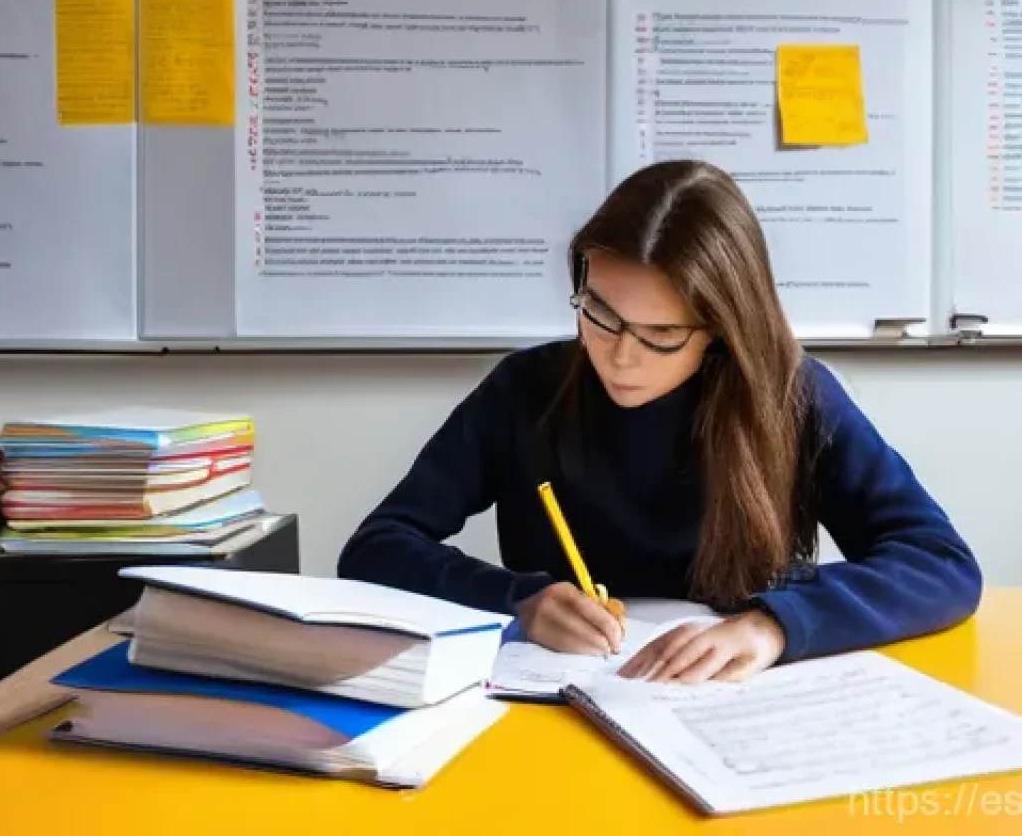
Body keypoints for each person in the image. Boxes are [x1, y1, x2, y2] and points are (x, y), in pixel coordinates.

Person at [338, 160, 982, 683]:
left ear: (722, 332)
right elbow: (378, 547)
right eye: (599, 312)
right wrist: (520, 600)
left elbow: (941, 565)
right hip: (564, 698)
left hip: (736, 704)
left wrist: (775, 625)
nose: (620, 355)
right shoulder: (525, 389)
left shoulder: (792, 395)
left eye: (663, 333)